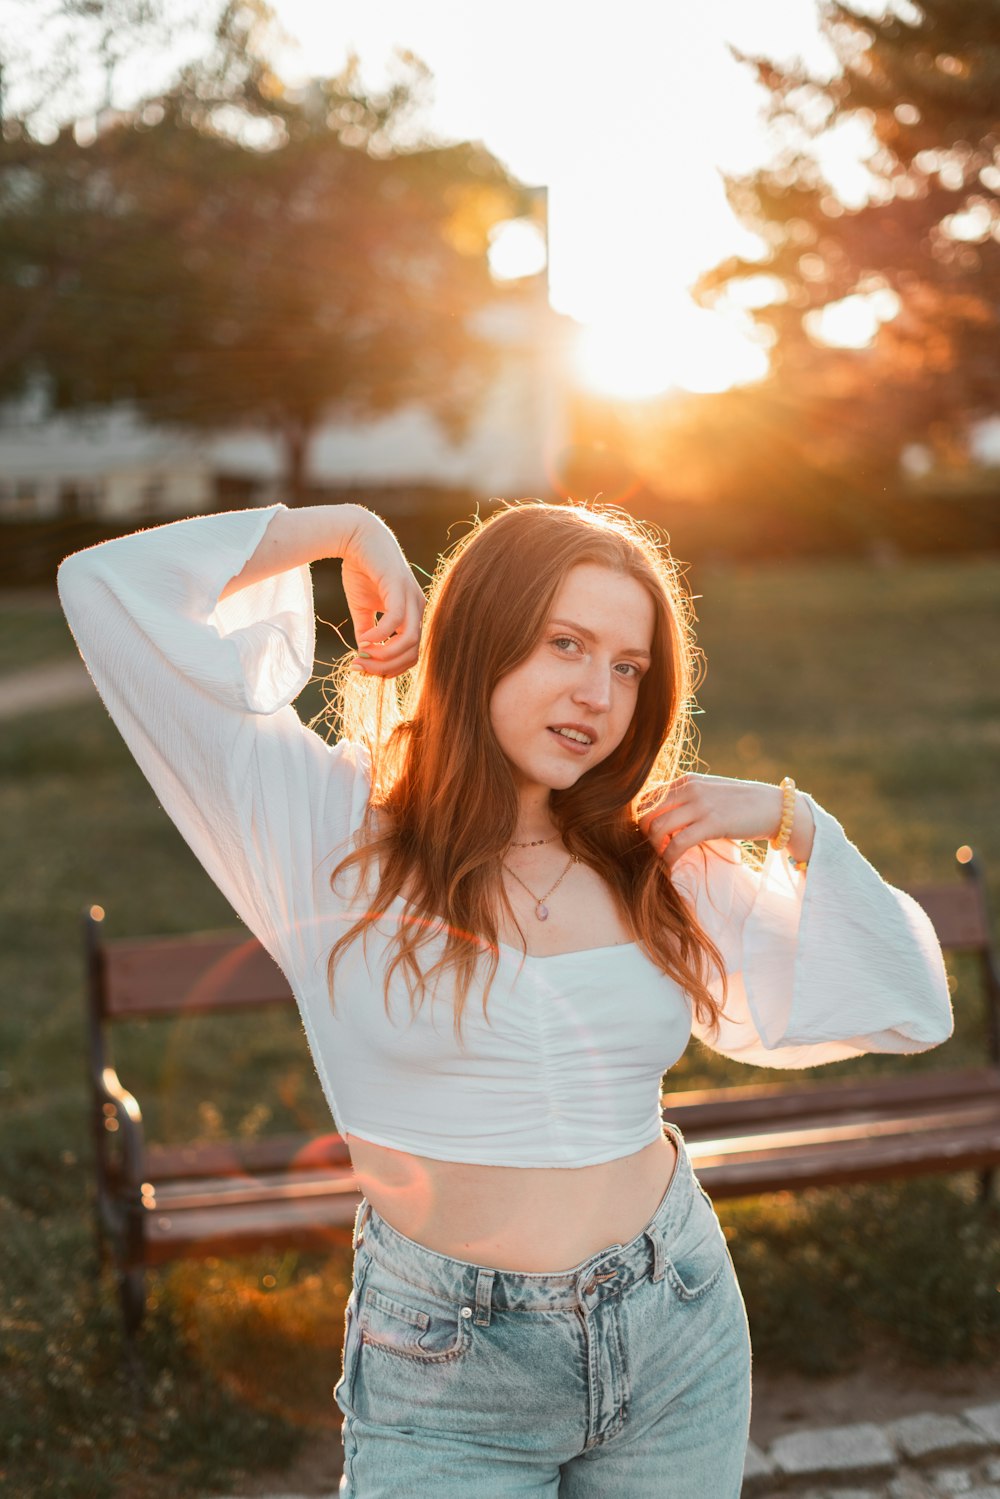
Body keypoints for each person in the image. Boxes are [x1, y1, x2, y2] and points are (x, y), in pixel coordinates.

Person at [57, 497, 953, 1498]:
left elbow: (911, 1003)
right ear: (477, 636)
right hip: (446, 1365)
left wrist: (791, 818)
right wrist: (346, 528)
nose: (598, 693)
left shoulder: (649, 855)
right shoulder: (322, 830)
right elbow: (104, 590)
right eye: (564, 642)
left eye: (627, 665)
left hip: (676, 1318)